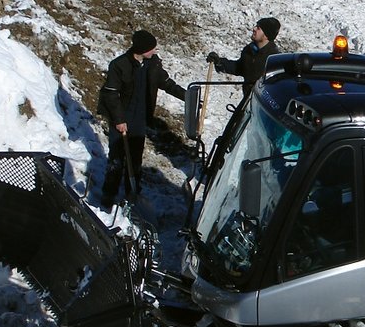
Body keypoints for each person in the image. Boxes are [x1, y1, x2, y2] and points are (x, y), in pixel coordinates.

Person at [96, 29, 186, 208]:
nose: (155, 50)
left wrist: (188, 96)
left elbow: (166, 83)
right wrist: (119, 120)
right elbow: (111, 95)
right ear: (141, 49)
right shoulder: (119, 65)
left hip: (139, 118)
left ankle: (133, 193)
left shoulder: (152, 64)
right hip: (120, 117)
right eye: (152, 48)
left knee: (135, 159)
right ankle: (108, 195)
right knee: (117, 159)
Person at [207, 17, 281, 98]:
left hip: (262, 104)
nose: (254, 29)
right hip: (247, 100)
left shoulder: (274, 59)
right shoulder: (249, 51)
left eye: (258, 28)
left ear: (266, 35)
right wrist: (219, 62)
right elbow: (239, 68)